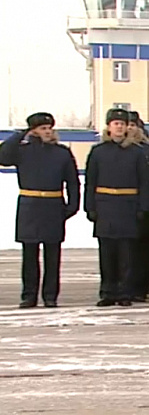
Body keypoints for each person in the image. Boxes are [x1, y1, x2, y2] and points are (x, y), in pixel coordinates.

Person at [0, 113, 80, 308]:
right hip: (30, 206)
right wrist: (20, 134)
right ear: (34, 130)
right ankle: (29, 295)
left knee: (53, 255)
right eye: (42, 128)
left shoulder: (61, 153)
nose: (47, 131)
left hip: (53, 206)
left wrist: (72, 206)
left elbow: (72, 182)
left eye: (49, 128)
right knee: (29, 255)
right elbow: (3, 157)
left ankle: (50, 295)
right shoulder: (23, 151)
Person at [84, 108, 149, 307]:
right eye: (116, 124)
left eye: (122, 124)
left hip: (128, 207)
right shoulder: (98, 152)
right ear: (109, 127)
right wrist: (90, 207)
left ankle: (125, 292)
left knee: (127, 255)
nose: (119, 127)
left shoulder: (137, 152)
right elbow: (90, 182)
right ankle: (108, 291)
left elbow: (145, 182)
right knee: (107, 254)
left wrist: (143, 207)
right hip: (105, 207)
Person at [128, 112, 149, 300]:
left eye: (134, 125)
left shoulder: (148, 151)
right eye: (128, 125)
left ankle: (143, 282)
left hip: (145, 206)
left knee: (144, 250)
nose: (130, 128)